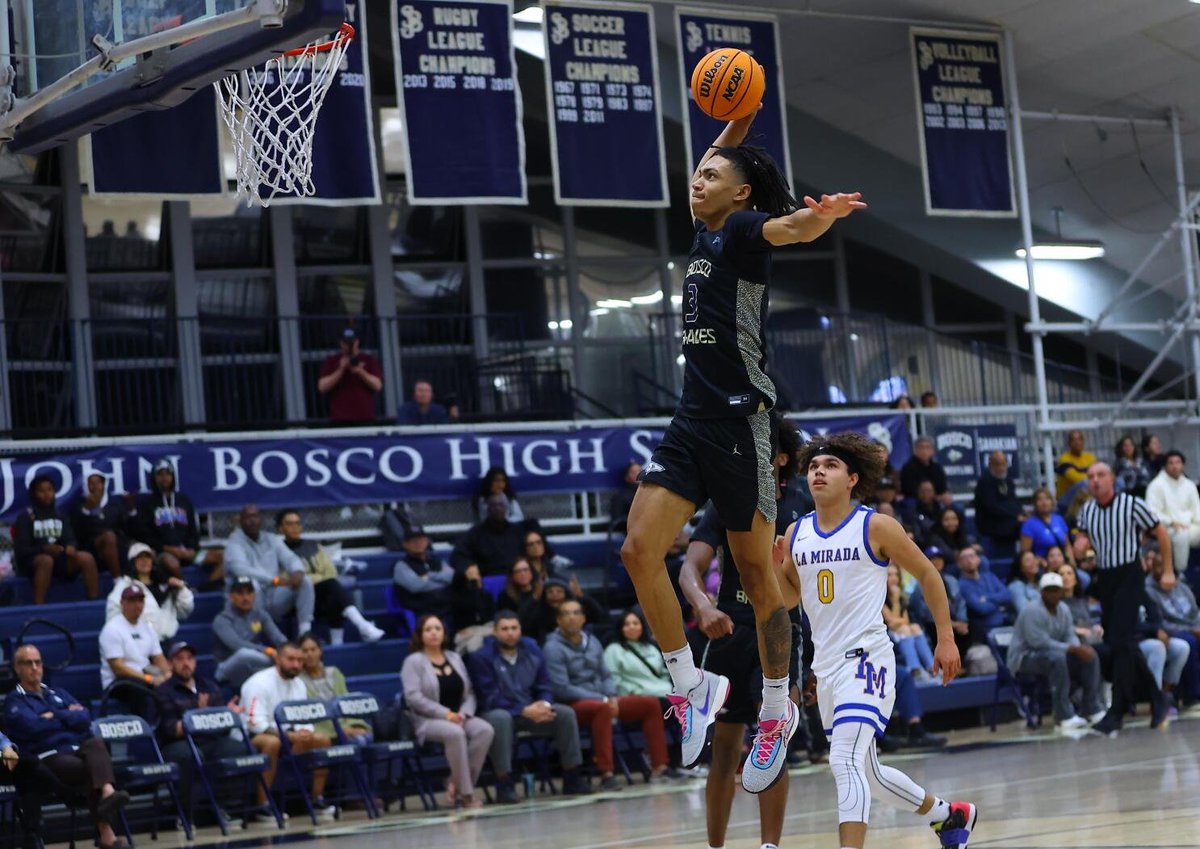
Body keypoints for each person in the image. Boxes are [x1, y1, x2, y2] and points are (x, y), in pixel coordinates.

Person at [621, 109, 865, 795]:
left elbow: (795, 226)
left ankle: (778, 708)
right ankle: (690, 685)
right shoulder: (706, 224)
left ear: (740, 194)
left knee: (760, 585)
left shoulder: (748, 233)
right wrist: (741, 115)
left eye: (710, 177)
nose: (696, 182)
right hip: (690, 420)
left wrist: (826, 216)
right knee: (639, 551)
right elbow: (713, 157)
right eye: (696, 175)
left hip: (742, 426)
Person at [773, 432, 973, 849]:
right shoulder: (795, 533)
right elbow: (792, 598)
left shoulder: (875, 525)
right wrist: (778, 569)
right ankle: (949, 816)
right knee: (868, 773)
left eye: (829, 466)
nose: (818, 473)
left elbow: (930, 575)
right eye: (812, 467)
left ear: (852, 479)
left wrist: (945, 638)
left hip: (867, 659)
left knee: (843, 761)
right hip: (825, 666)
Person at [677, 409, 810, 849]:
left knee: (772, 743)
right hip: (730, 631)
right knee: (724, 752)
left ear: (783, 459)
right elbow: (689, 568)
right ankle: (715, 846)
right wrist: (702, 606)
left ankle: (769, 846)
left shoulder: (802, 509)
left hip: (782, 629)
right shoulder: (725, 501)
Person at [1075, 462, 1175, 735]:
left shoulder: (1132, 504)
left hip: (1130, 574)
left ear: (1113, 479)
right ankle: (1157, 697)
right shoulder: (1087, 511)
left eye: (1101, 475)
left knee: (1121, 641)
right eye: (1091, 476)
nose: (1095, 480)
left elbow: (1161, 533)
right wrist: (1079, 545)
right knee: (1119, 643)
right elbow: (1081, 541)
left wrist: (1167, 569)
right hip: (1105, 576)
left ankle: (1118, 709)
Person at [5, 644, 130, 848]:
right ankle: (107, 835)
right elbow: (33, 728)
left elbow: (85, 717)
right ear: (18, 668)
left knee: (96, 744)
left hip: (77, 750)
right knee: (90, 770)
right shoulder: (14, 701)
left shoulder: (58, 693)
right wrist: (67, 716)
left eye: (38, 662)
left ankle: (108, 793)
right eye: (29, 663)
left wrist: (54, 715)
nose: (35, 667)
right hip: (48, 758)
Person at [543, 600, 671, 789]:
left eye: (576, 613)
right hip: (573, 704)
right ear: (558, 620)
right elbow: (562, 688)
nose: (572, 617)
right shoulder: (552, 648)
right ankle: (607, 773)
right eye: (566, 614)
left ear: (583, 618)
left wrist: (611, 695)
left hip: (604, 699)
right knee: (602, 709)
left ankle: (660, 767)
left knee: (650, 704)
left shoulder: (592, 641)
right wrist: (602, 699)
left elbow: (606, 674)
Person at [469, 611, 591, 800]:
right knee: (501, 718)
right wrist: (523, 710)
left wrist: (544, 704)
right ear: (494, 632)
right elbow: (489, 696)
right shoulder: (481, 657)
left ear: (520, 630)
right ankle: (504, 783)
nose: (510, 633)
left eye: (514, 628)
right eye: (504, 629)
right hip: (497, 712)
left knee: (565, 713)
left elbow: (545, 684)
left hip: (531, 711)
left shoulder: (532, 649)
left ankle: (572, 776)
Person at [400, 615, 494, 808]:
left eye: (437, 628)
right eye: (428, 629)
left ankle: (454, 782)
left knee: (485, 730)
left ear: (444, 633)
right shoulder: (413, 661)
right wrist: (447, 714)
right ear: (420, 635)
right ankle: (466, 794)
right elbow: (413, 698)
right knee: (455, 733)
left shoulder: (454, 657)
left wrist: (465, 713)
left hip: (460, 715)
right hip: (427, 720)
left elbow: (469, 692)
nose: (433, 633)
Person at [241, 641, 335, 817]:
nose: (296, 665)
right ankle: (263, 805)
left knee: (322, 739)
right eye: (291, 659)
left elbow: (304, 716)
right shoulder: (258, 683)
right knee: (273, 743)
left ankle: (316, 799)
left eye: (299, 660)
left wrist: (304, 732)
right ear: (277, 659)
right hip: (254, 736)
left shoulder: (299, 684)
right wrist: (289, 736)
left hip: (288, 735)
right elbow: (254, 723)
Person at [154, 641, 246, 817]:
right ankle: (185, 813)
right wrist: (199, 715)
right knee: (190, 755)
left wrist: (228, 715)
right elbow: (172, 729)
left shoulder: (208, 686)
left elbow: (221, 725)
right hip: (177, 743)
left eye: (189, 658)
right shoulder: (164, 691)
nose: (186, 663)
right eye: (180, 659)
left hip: (210, 739)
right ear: (171, 663)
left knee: (237, 748)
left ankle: (225, 807)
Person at [1006, 572, 1105, 731]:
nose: (1053, 594)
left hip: (1052, 653)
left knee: (1090, 655)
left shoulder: (1063, 609)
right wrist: (1071, 648)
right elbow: (1038, 643)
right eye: (1048, 590)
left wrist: (1077, 648)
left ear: (1061, 592)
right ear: (1041, 592)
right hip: (1024, 658)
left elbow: (1069, 633)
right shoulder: (1032, 610)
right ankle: (1063, 716)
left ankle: (1091, 707)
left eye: (1056, 590)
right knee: (1057, 659)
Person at [276, 510, 384, 643]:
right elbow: (288, 579)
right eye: (289, 524)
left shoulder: (313, 545)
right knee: (330, 587)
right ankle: (362, 626)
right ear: (281, 528)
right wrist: (315, 578)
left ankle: (340, 642)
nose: (295, 527)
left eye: (297, 523)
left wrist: (309, 578)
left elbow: (330, 573)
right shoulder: (277, 550)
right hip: (294, 601)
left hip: (320, 597)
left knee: (333, 591)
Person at [225, 504, 313, 635]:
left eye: (255, 517)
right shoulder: (233, 543)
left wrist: (298, 571)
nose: (252, 521)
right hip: (246, 600)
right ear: (241, 521)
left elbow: (291, 558)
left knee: (305, 581)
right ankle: (255, 635)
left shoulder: (272, 539)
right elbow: (241, 570)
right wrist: (275, 580)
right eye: (248, 517)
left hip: (273, 596)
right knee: (252, 584)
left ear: (261, 520)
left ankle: (304, 633)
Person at [13, 474, 100, 604]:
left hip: (59, 560)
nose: (46, 494)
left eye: (49, 490)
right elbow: (21, 550)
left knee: (86, 557)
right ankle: (39, 607)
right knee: (46, 560)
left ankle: (94, 603)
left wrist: (71, 546)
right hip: (34, 563)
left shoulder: (60, 515)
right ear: (34, 494)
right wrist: (44, 549)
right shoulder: (25, 517)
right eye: (41, 491)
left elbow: (70, 538)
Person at [134, 458, 219, 582]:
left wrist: (191, 549)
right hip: (164, 553)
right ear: (154, 478)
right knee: (170, 563)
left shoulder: (184, 500)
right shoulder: (147, 504)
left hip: (187, 552)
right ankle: (186, 589)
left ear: (173, 476)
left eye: (168, 473)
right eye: (160, 474)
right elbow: (145, 536)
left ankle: (205, 588)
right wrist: (168, 549)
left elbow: (193, 530)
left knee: (220, 557)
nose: (164, 478)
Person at [1144, 549, 1200, 706]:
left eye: (1164, 565)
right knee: (1190, 642)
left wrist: (1197, 626)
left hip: (1192, 626)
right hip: (1172, 632)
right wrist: (1191, 630)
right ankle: (1192, 696)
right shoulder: (1149, 591)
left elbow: (1195, 611)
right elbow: (1160, 622)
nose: (1160, 569)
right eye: (1156, 566)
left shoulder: (1181, 586)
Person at [98, 584, 171, 704]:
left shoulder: (147, 627)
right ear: (122, 603)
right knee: (141, 690)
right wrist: (150, 679)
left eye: (140, 600)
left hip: (144, 676)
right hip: (118, 682)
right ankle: (146, 722)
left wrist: (168, 675)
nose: (137, 605)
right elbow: (118, 668)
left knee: (175, 685)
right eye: (132, 601)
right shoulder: (112, 629)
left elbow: (159, 658)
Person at [107, 542, 194, 641]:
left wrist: (181, 589)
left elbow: (185, 610)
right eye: (140, 557)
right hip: (140, 643)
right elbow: (113, 615)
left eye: (148, 557)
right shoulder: (124, 586)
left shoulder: (165, 584)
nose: (144, 561)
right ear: (132, 562)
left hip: (168, 642)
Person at [213, 577, 287, 689]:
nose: (245, 598)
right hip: (227, 667)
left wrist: (288, 650)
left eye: (249, 593)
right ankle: (281, 663)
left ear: (254, 595)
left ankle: (283, 663)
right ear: (231, 596)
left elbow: (279, 638)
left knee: (289, 654)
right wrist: (267, 651)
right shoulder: (222, 619)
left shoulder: (260, 615)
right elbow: (237, 645)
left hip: (255, 664)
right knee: (244, 654)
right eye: (240, 593)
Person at [298, 633, 372, 745]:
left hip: (347, 725)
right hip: (323, 732)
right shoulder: (298, 681)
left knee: (367, 737)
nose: (310, 654)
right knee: (359, 742)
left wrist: (354, 726)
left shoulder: (334, 672)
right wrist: (339, 731)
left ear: (320, 651)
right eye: (305, 651)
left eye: (313, 649)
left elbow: (347, 703)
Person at [451, 493, 542, 576]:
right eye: (494, 505)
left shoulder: (517, 531)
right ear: (488, 508)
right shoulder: (475, 534)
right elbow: (457, 556)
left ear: (506, 508)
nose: (497, 508)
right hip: (487, 579)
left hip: (517, 578)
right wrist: (469, 567)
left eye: (501, 505)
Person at [1145, 450, 1200, 576]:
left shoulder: (1189, 484)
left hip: (1190, 525)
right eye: (1171, 463)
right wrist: (1171, 522)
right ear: (1165, 466)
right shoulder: (1156, 485)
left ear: (1183, 465)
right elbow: (1152, 512)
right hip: (1166, 527)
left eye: (1178, 462)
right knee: (1181, 536)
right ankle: (1180, 573)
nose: (1175, 466)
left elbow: (1197, 508)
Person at [908, 546, 970, 655]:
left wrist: (962, 621)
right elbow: (924, 613)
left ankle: (966, 664)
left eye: (939, 559)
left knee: (974, 626)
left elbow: (961, 602)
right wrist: (951, 624)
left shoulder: (951, 580)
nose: (937, 562)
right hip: (932, 625)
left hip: (953, 621)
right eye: (933, 559)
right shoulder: (920, 584)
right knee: (936, 630)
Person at [317, 326, 382, 424]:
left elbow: (377, 386)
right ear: (341, 343)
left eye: (351, 343)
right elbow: (322, 387)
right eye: (346, 343)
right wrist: (341, 369)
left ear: (357, 342)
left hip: (365, 417)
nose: (349, 346)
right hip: (339, 418)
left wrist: (360, 372)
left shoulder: (369, 360)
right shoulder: (331, 360)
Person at [603, 609, 673, 698]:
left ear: (642, 627)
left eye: (635, 623)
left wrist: (668, 686)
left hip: (664, 691)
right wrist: (634, 691)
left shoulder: (651, 648)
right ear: (620, 628)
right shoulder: (613, 650)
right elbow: (613, 679)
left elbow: (663, 673)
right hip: (637, 696)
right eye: (626, 624)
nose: (632, 627)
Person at [69, 472, 125, 580]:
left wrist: (132, 511)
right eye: (91, 483)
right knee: (109, 536)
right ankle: (117, 580)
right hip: (90, 546)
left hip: (115, 546)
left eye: (98, 483)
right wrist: (86, 510)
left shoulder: (114, 504)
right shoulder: (79, 505)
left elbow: (125, 527)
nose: (95, 486)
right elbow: (76, 530)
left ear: (104, 484)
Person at [392, 524, 455, 619]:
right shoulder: (401, 566)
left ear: (427, 541)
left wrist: (429, 576)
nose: (418, 543)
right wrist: (442, 581)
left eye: (421, 539)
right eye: (413, 540)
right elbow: (416, 586)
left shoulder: (437, 561)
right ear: (405, 544)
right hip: (422, 612)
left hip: (447, 606)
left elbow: (453, 577)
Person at [884, 564, 935, 679]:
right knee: (905, 629)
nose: (894, 578)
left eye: (896, 575)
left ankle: (931, 667)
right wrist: (896, 601)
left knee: (915, 627)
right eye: (889, 575)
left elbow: (905, 619)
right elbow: (890, 623)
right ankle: (914, 670)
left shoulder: (900, 595)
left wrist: (898, 599)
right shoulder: (880, 596)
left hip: (899, 632)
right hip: (885, 634)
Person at [520, 577, 605, 644]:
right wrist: (534, 598)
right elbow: (522, 622)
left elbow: (599, 616)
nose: (555, 595)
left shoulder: (575, 611)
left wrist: (581, 596)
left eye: (559, 591)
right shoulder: (538, 614)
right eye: (550, 592)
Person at [957, 545, 1014, 643]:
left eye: (972, 556)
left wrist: (988, 597)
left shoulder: (989, 576)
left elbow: (1008, 595)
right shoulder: (962, 585)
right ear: (959, 564)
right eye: (965, 558)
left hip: (1004, 622)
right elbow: (981, 608)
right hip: (985, 629)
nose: (969, 560)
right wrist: (999, 605)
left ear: (978, 559)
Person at [973, 451, 1026, 553]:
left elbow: (1014, 500)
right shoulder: (985, 482)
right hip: (991, 523)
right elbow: (992, 507)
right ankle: (1023, 555)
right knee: (1024, 526)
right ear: (990, 465)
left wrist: (1022, 513)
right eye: (997, 464)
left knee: (1030, 522)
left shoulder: (1008, 481)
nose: (1001, 468)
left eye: (1003, 464)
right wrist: (1015, 516)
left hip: (1008, 520)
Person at [450, 564, 497, 653]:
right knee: (472, 645)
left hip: (487, 628)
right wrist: (474, 585)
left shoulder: (486, 596)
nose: (477, 578)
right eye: (472, 576)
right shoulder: (456, 598)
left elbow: (491, 618)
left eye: (478, 574)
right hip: (466, 632)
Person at [1020, 487, 1072, 562]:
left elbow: (1067, 545)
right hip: (1043, 566)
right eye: (1040, 500)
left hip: (1062, 564)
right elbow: (1025, 554)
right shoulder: (1029, 525)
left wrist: (1072, 563)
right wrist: (1041, 562)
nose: (1044, 502)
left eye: (1047, 499)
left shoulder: (1059, 519)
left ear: (1052, 501)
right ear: (1035, 503)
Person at [899, 436, 954, 508]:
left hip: (936, 500)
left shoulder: (937, 468)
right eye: (921, 448)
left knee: (956, 508)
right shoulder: (908, 467)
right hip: (916, 500)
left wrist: (945, 495)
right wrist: (928, 494)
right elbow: (908, 490)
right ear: (915, 450)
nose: (924, 451)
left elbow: (942, 488)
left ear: (933, 451)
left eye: (927, 447)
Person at [1054, 430, 1097, 500]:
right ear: (1069, 444)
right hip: (1066, 499)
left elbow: (1097, 474)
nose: (1077, 442)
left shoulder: (1090, 457)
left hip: (1084, 495)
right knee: (1084, 484)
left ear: (1083, 442)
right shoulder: (1064, 459)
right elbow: (1076, 479)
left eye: (1079, 439)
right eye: (1073, 440)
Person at [608, 461, 642, 533]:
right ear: (627, 477)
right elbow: (617, 520)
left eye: (639, 470)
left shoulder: (647, 493)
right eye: (633, 472)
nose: (638, 474)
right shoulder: (620, 496)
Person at [1007, 550, 1043, 616]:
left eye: (1034, 558)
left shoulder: (1042, 581)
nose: (1033, 562)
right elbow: (1024, 612)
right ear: (1021, 568)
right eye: (1028, 560)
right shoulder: (1016, 586)